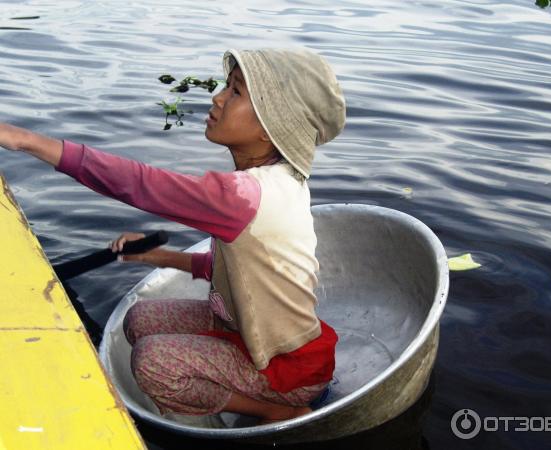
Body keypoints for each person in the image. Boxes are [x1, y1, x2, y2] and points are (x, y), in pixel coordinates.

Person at [0, 48, 346, 424]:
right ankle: (244, 387)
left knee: (152, 361)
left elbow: (140, 185)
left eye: (236, 93)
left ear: (269, 126)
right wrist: (160, 257)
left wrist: (26, 140)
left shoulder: (243, 196)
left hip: (288, 370)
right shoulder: (279, 180)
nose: (217, 98)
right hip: (249, 334)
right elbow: (243, 270)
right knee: (139, 320)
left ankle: (275, 409)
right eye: (226, 87)